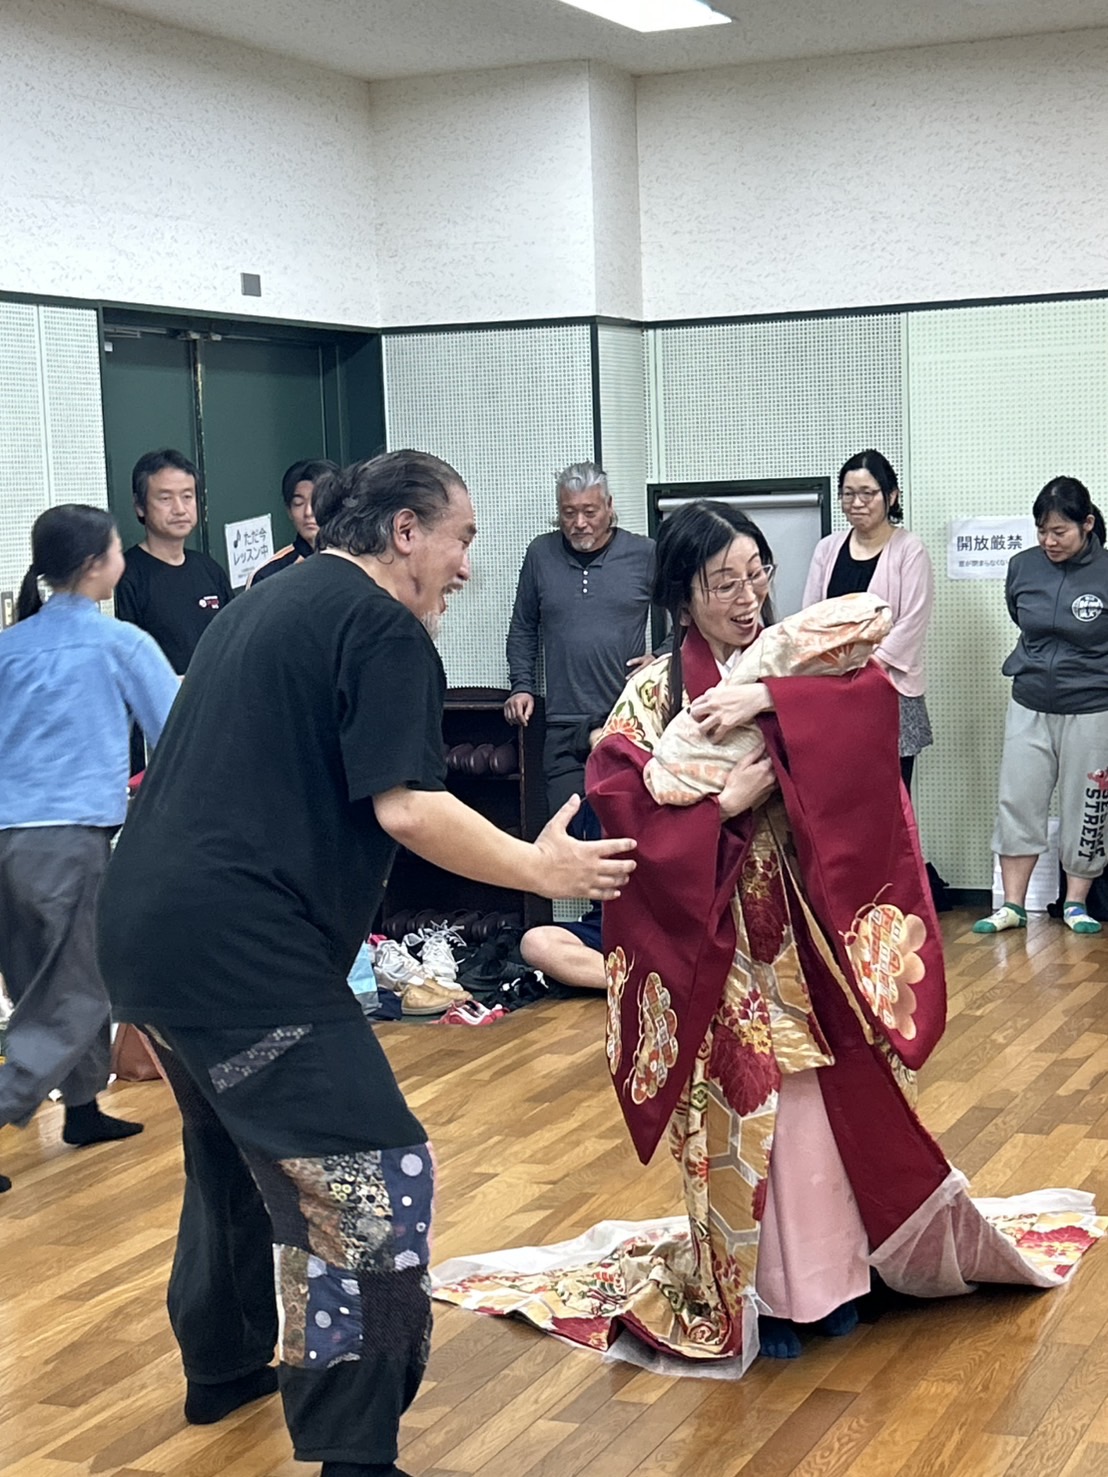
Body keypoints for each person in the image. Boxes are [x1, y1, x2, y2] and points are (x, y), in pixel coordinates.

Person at [434, 500, 1103, 1368]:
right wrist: (725, 804)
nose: (749, 597)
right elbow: (623, 803)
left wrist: (774, 705)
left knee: (829, 1100)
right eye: (724, 583)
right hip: (715, 935)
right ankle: (765, 1293)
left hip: (805, 922)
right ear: (683, 594)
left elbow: (872, 715)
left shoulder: (794, 663)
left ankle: (843, 1277)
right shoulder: (653, 694)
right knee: (749, 1109)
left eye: (757, 575)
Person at [95, 451, 637, 1477]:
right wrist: (541, 865)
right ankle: (354, 1451)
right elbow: (410, 807)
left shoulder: (265, 602)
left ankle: (222, 1366)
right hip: (237, 949)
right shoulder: (382, 626)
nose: (466, 566)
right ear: (404, 532)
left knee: (230, 1154)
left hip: (142, 932)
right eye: (461, 539)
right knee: (373, 1171)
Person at [0, 505, 178, 1195]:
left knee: (35, 979)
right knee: (77, 987)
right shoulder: (119, 643)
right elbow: (174, 732)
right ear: (98, 563)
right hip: (68, 839)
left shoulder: (10, 646)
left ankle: (81, 1107)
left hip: (8, 838)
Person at [974, 476, 1108, 936]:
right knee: (1018, 799)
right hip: (1029, 700)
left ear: (1086, 524)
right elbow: (1020, 616)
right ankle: (1013, 905)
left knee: (1087, 805)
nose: (1049, 541)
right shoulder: (1023, 567)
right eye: (1042, 531)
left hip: (1092, 705)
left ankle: (1075, 904)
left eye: (1059, 531)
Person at [504, 462, 657, 815]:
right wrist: (521, 686)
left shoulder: (645, 554)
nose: (579, 523)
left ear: (609, 506)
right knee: (566, 823)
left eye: (589, 511)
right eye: (568, 512)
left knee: (626, 824)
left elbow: (686, 616)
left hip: (626, 717)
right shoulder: (540, 554)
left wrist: (660, 657)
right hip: (562, 724)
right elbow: (523, 626)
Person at [803, 450, 934, 791]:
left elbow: (912, 623)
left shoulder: (910, 549)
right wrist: (830, 667)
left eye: (867, 493)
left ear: (891, 496)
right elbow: (811, 617)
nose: (857, 503)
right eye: (848, 494)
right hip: (832, 687)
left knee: (891, 794)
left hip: (888, 689)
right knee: (843, 791)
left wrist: (863, 668)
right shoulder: (827, 549)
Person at [114, 448, 233, 675]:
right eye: (165, 498)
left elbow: (233, 640)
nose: (179, 509)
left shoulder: (209, 569)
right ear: (139, 506)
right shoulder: (125, 575)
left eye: (187, 497)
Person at [248, 457, 338, 585]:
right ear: (289, 510)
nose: (308, 512)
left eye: (318, 501)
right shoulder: (269, 575)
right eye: (298, 503)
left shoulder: (360, 562)